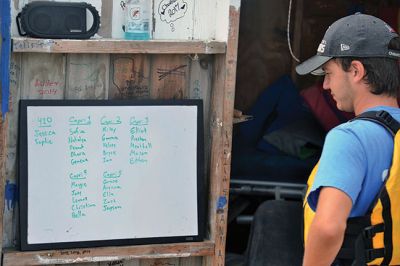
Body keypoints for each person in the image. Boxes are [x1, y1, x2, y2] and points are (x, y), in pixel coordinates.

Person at [296, 13, 400, 266]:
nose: (325, 85)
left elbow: (328, 228)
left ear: (356, 70)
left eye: (328, 73)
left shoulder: (349, 138)